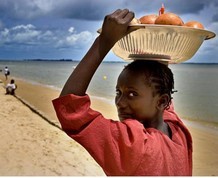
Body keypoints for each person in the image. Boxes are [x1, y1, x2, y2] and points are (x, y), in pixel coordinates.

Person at [52, 9, 192, 176]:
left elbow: (71, 109)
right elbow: (162, 93)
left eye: (132, 94)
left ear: (161, 102)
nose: (119, 102)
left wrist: (104, 41)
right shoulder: (178, 132)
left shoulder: (133, 145)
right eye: (118, 92)